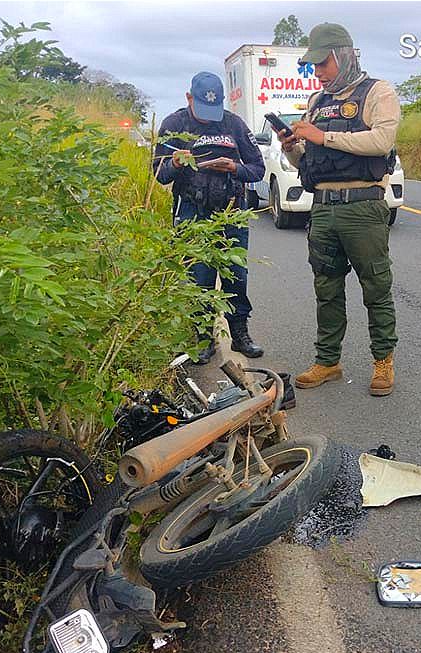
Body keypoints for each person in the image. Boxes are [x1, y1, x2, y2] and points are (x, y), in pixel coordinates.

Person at [277, 23, 400, 396]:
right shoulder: (317, 102)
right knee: (326, 288)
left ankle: (383, 362)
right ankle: (328, 361)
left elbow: (382, 140)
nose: (318, 72)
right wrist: (291, 146)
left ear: (343, 55)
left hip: (363, 207)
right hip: (324, 209)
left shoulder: (378, 92)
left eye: (322, 63)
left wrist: (323, 135)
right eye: (314, 65)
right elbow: (308, 163)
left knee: (375, 287)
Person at [153, 71, 265, 364]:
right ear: (189, 98)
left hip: (231, 211)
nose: (208, 117)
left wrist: (234, 169)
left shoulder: (234, 124)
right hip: (192, 211)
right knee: (198, 278)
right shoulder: (173, 125)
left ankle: (240, 333)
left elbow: (257, 168)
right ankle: (203, 338)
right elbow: (159, 174)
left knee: (235, 276)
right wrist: (176, 163)